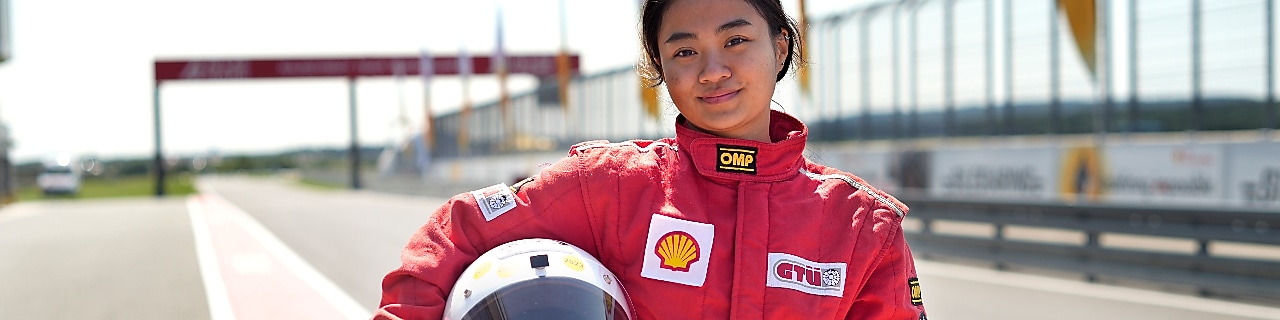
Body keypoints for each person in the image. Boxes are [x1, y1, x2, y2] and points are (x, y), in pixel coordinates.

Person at [376, 0, 928, 319]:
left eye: (736, 40)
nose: (712, 70)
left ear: (781, 46)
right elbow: (454, 234)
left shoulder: (861, 226)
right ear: (660, 68)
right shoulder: (611, 186)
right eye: (684, 51)